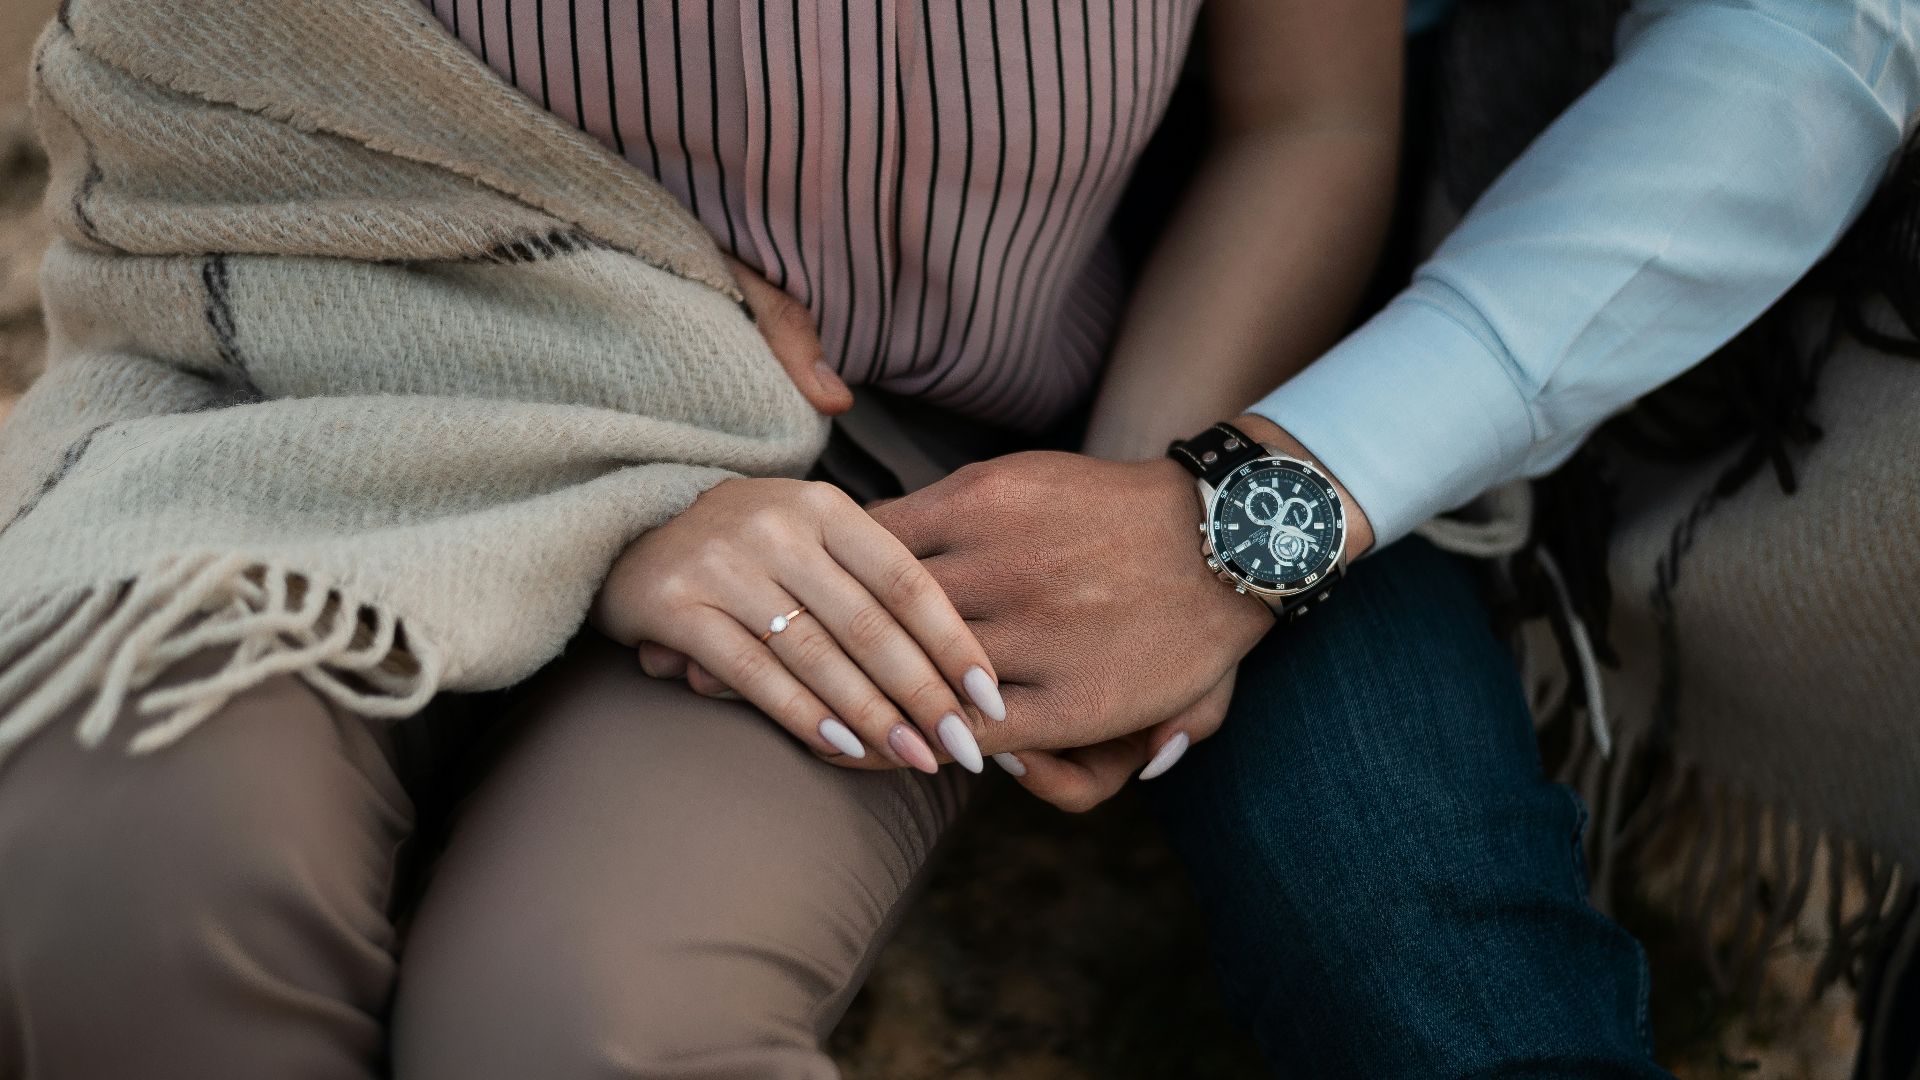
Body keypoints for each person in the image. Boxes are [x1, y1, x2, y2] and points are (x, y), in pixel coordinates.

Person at [0, 1, 1403, 1077]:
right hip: (346, 352)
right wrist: (635, 374)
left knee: (588, 1024)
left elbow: (1312, 117)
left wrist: (1114, 531)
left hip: (888, 477)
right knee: (133, 873)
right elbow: (187, 51)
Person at [832, 1, 1915, 1077]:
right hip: (864, 230)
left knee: (1405, 895)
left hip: (1420, 173)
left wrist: (1192, 533)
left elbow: (1814, 51)